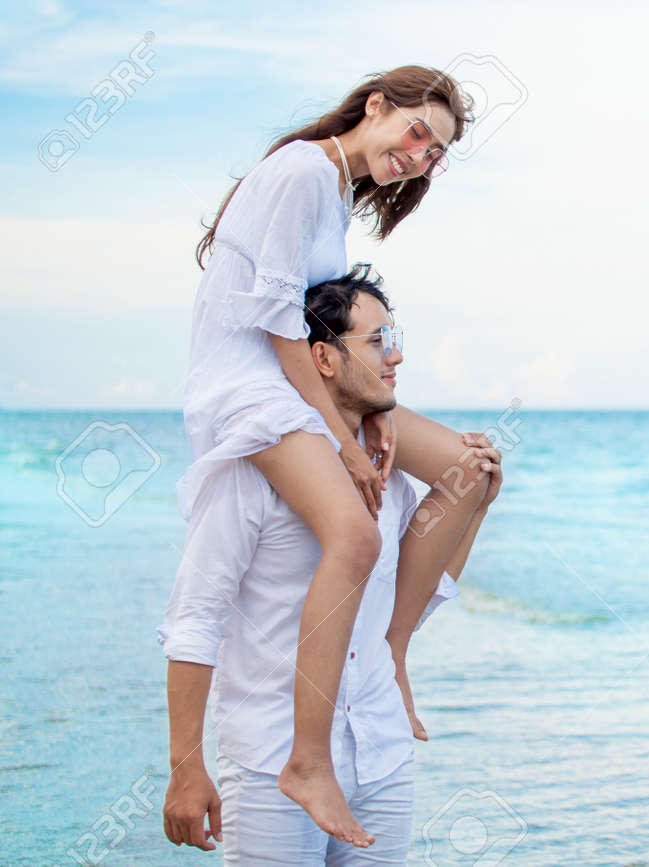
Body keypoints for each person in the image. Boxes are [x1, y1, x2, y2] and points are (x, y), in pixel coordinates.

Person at [182, 66, 487, 845]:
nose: (420, 155)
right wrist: (343, 439)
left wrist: (372, 409)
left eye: (436, 153)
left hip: (304, 381)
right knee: (356, 533)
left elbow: (326, 330)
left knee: (468, 469)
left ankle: (388, 655)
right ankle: (307, 760)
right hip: (254, 391)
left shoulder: (332, 195)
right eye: (418, 131)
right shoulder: (302, 171)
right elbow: (285, 330)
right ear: (377, 105)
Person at [160, 265, 502, 862]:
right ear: (321, 359)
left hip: (380, 750)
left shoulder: (389, 480)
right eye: (376, 343)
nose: (394, 358)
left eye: (394, 341)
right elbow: (195, 621)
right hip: (272, 761)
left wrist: (478, 502)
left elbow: (406, 602)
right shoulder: (248, 476)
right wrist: (185, 767)